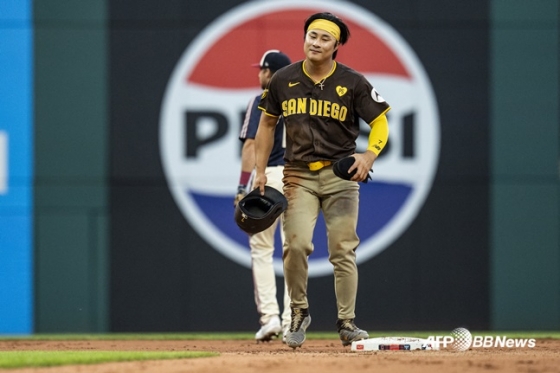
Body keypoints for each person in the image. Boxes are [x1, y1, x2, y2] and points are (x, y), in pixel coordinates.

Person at [253, 12, 391, 349]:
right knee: (296, 245)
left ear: (336, 46)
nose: (315, 42)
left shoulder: (353, 82)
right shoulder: (283, 80)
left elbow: (381, 123)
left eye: (324, 38)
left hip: (340, 175)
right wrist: (259, 171)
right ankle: (298, 313)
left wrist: (369, 155)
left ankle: (347, 322)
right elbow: (267, 126)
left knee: (343, 249)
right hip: (298, 174)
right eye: (311, 35)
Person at [235, 50, 292, 343]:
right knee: (294, 250)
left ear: (270, 73)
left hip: (266, 177)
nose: (259, 74)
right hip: (297, 179)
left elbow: (251, 147)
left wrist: (242, 187)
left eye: (262, 69)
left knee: (261, 250)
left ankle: (270, 318)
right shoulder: (300, 102)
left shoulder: (260, 101)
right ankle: (292, 319)